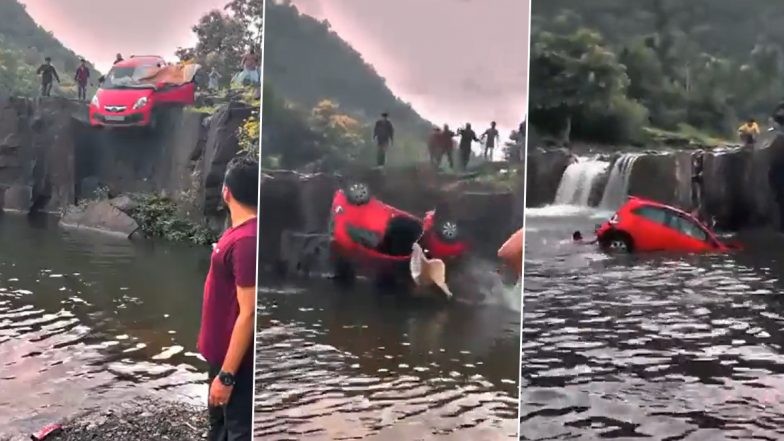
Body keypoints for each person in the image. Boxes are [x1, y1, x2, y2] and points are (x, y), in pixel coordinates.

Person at [197, 156, 258, 441]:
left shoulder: (247, 241)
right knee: (219, 426)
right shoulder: (238, 233)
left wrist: (227, 376)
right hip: (222, 356)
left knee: (238, 431)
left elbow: (250, 313)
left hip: (236, 365)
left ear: (226, 191)